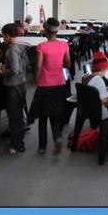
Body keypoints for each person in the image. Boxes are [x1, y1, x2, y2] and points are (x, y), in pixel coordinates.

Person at [32, 17, 71, 155]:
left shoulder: (42, 46)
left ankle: (42, 146)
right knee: (55, 114)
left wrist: (36, 79)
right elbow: (68, 63)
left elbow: (38, 66)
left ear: (45, 31)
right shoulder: (64, 45)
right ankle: (57, 137)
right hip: (59, 83)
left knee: (43, 117)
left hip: (44, 85)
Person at [0, 23, 29, 154]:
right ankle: (17, 141)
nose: (2, 39)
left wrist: (3, 70)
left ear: (7, 36)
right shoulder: (22, 47)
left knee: (14, 117)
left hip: (13, 85)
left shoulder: (11, 50)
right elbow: (26, 66)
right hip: (22, 83)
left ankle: (17, 146)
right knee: (17, 115)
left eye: (3, 36)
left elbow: (14, 69)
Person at [78, 51, 108, 125]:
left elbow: (95, 92)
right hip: (102, 114)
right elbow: (105, 101)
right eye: (107, 70)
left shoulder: (86, 77)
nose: (107, 72)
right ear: (102, 69)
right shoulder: (99, 80)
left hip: (90, 110)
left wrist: (105, 89)